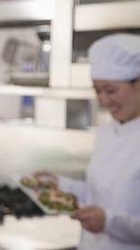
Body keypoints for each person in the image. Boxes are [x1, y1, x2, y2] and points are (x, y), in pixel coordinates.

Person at [36, 33, 140, 250]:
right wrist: (60, 185)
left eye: (110, 90)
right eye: (97, 90)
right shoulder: (106, 133)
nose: (102, 100)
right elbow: (99, 193)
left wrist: (109, 221)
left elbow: (110, 212)